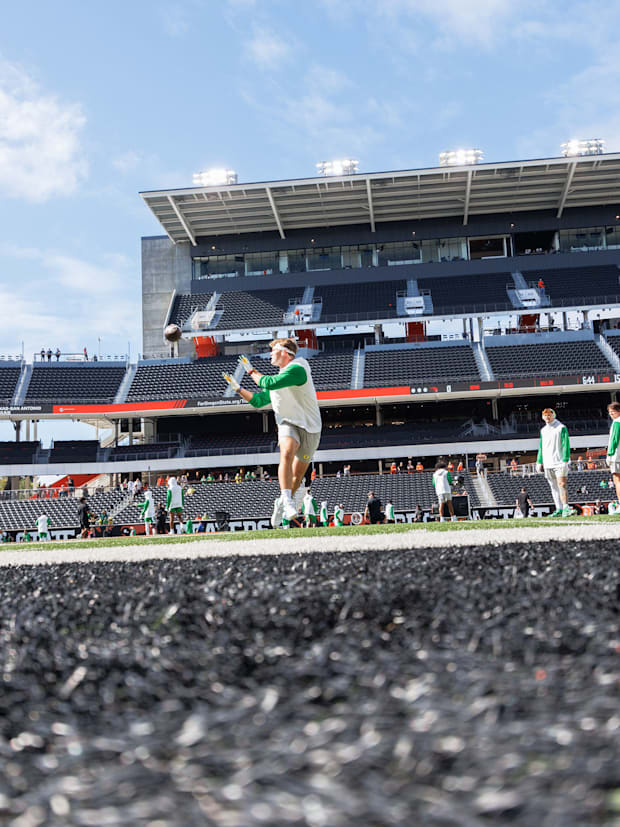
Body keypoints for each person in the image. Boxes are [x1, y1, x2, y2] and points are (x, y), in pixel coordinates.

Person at [223, 338, 321, 527]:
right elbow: (259, 401)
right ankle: (288, 501)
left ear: (284, 353)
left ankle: (281, 502)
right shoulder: (278, 380)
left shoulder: (298, 368)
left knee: (298, 475)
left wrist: (250, 371)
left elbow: (268, 381)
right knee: (287, 451)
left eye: (273, 350)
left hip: (311, 427)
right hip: (287, 423)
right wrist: (238, 389)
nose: (269, 354)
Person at [536, 408, 575, 517]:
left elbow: (565, 444)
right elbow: (541, 447)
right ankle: (559, 508)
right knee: (553, 486)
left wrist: (566, 459)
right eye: (545, 415)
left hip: (559, 462)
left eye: (549, 415)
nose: (547, 417)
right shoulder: (543, 430)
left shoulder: (561, 428)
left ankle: (566, 507)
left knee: (561, 484)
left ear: (553, 415)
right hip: (548, 462)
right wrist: (539, 461)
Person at [606, 401, 620, 507]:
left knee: (617, 480)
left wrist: (609, 454)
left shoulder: (616, 423)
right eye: (610, 413)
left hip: (617, 456)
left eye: (613, 412)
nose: (611, 415)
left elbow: (613, 440)